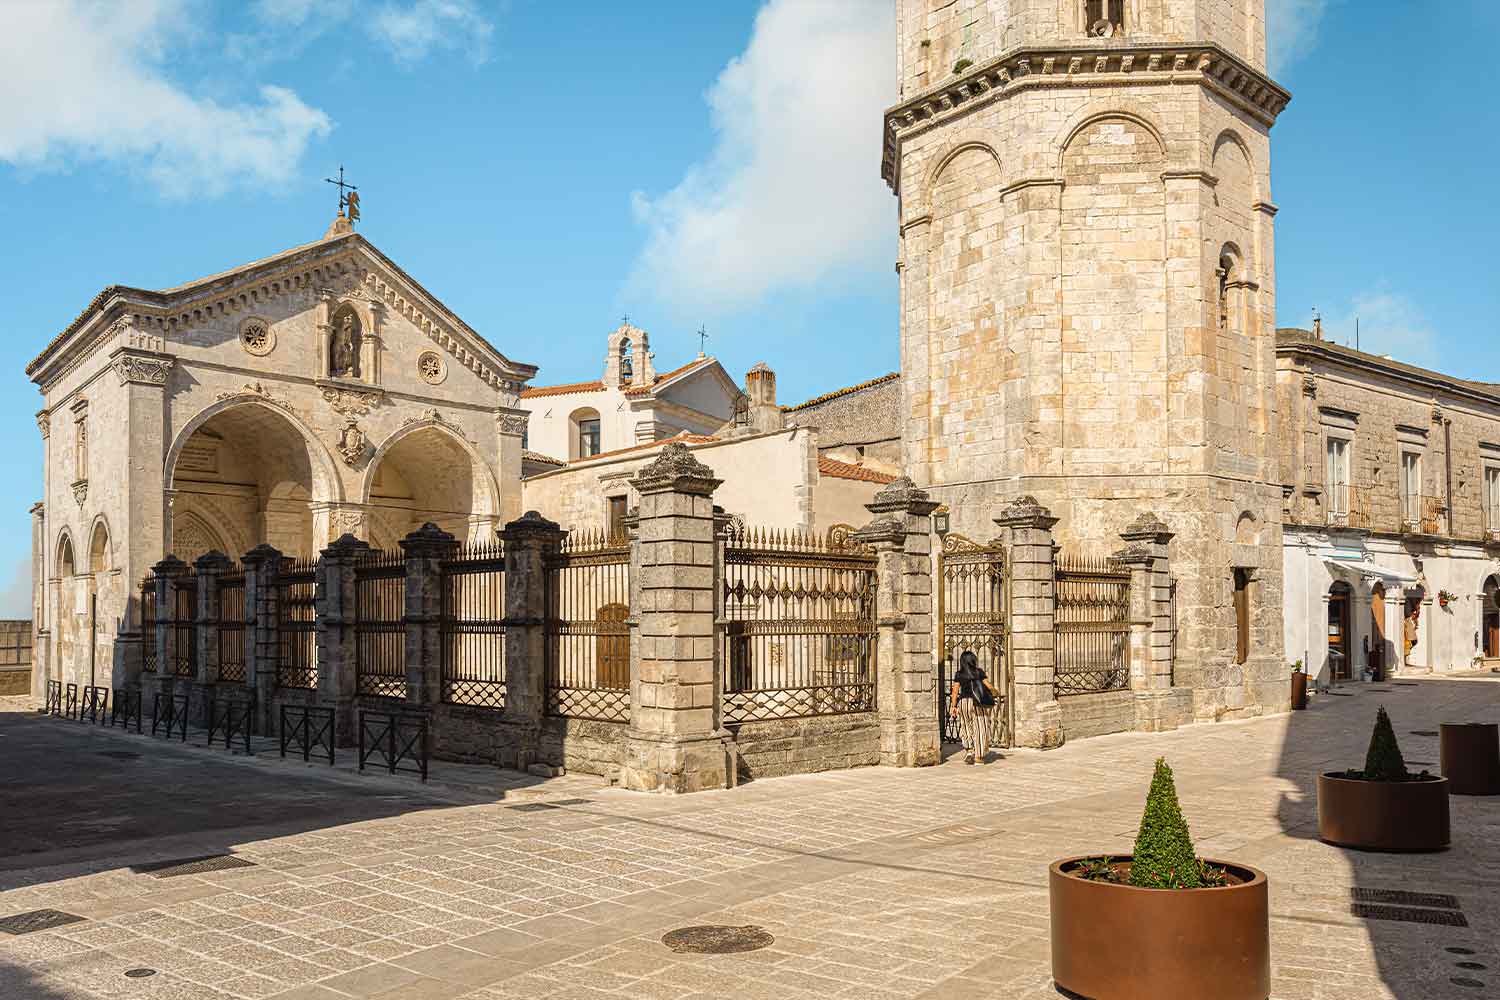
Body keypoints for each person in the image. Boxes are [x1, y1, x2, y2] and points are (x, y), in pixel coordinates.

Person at [948, 650, 1002, 765]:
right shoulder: (979, 672)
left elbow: (955, 691)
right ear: (973, 660)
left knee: (966, 726)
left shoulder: (959, 674)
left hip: (963, 702)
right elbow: (989, 686)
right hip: (977, 703)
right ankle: (979, 756)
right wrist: (995, 692)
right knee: (980, 727)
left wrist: (953, 706)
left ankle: (969, 751)